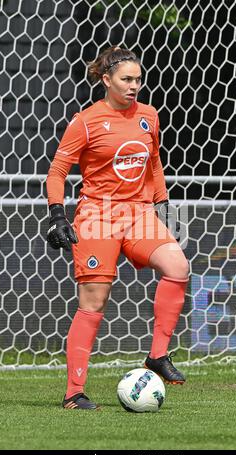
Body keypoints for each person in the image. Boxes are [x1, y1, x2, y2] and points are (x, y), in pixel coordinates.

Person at [46, 46, 189, 410]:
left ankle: (157, 356)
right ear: (106, 80)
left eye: (138, 79)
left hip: (139, 212)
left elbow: (154, 162)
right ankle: (74, 393)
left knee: (178, 267)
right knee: (94, 303)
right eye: (126, 79)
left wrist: (162, 204)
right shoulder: (86, 121)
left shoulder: (149, 115)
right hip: (97, 215)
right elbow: (57, 172)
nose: (134, 86)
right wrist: (57, 214)